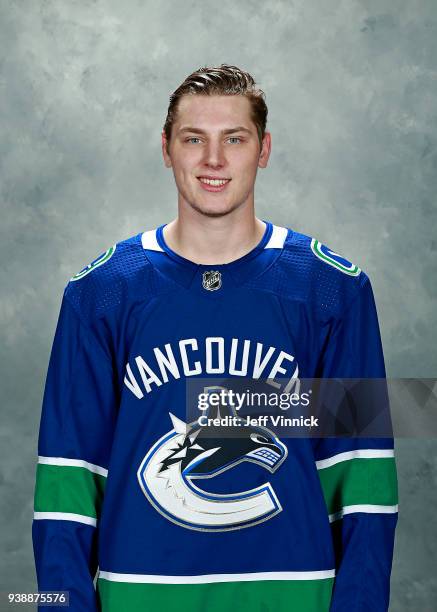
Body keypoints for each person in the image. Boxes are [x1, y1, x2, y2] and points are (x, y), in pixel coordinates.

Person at [32, 64, 398, 611]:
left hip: (294, 598)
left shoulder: (331, 291)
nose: (214, 161)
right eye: (193, 139)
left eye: (235, 139)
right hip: (141, 597)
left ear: (264, 148)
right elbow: (68, 486)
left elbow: (363, 481)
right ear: (166, 149)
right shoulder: (100, 294)